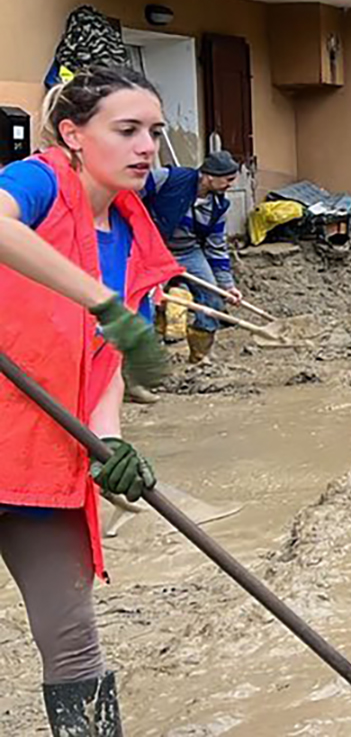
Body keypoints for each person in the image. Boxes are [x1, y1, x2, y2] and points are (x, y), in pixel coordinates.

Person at [0, 64, 180, 734]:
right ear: (73, 134)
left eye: (155, 134)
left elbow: (104, 361)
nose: (145, 148)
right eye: (127, 130)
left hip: (41, 463)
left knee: (73, 644)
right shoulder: (39, 181)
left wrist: (108, 445)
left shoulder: (136, 237)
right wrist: (100, 300)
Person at [144, 150, 242, 363]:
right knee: (146, 302)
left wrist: (227, 286)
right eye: (228, 179)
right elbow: (132, 189)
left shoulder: (218, 206)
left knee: (213, 299)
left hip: (188, 251)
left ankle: (200, 357)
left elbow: (217, 247)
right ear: (210, 176)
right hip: (152, 250)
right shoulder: (170, 178)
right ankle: (149, 359)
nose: (231, 185)